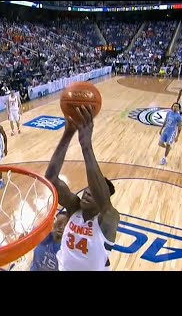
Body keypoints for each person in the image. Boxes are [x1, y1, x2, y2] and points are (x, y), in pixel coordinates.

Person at [45, 105, 119, 271]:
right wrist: (68, 133)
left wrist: (86, 146)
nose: (87, 192)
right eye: (87, 188)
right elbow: (51, 179)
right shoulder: (74, 209)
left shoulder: (109, 220)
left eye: (93, 192)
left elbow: (104, 202)